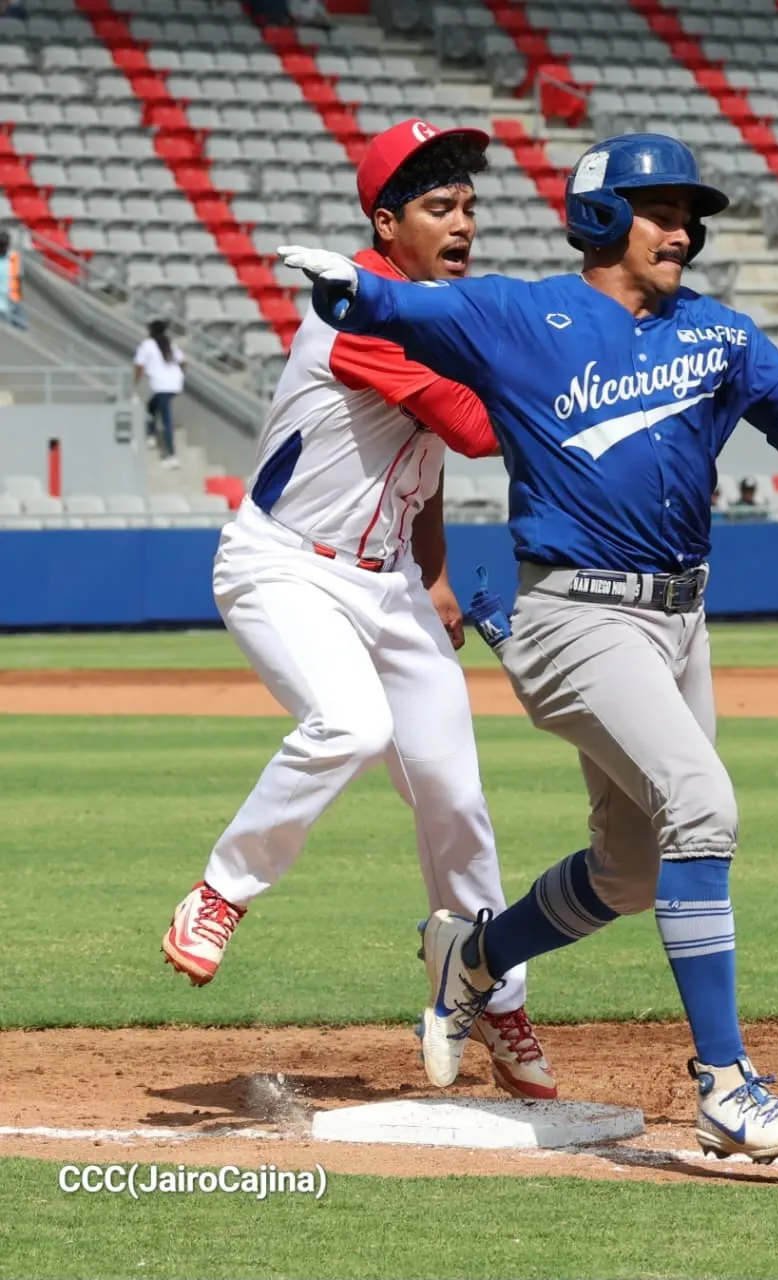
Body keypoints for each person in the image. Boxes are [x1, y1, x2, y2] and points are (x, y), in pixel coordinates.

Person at [278, 131, 778, 1162]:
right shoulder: (525, 314)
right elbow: (391, 305)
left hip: (676, 621)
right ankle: (726, 1084)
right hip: (573, 617)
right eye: (660, 208)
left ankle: (471, 958)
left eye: (690, 212)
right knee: (704, 804)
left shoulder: (718, 332)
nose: (683, 229)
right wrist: (346, 284)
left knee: (630, 869)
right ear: (600, 218)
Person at [161, 119, 556, 1102]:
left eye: (467, 203)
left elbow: (415, 473)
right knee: (350, 722)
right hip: (283, 566)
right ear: (385, 224)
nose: (461, 220)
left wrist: (432, 572)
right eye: (436, 205)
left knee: (454, 796)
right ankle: (219, 893)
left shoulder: (442, 312)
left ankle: (486, 986)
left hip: (386, 584)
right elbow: (464, 426)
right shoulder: (355, 320)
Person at [133, 320, 185, 470]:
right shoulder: (169, 344)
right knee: (151, 406)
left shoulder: (147, 345)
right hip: (174, 384)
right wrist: (178, 374)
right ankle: (150, 434)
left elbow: (139, 365)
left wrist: (135, 382)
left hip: (161, 385)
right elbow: (184, 362)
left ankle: (170, 455)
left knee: (166, 418)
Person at [0, 229, 25, 330]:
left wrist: (17, 297)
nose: (2, 247)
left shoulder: (14, 257)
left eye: (4, 244)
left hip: (11, 300)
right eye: (1, 244)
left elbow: (18, 277)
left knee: (21, 327)